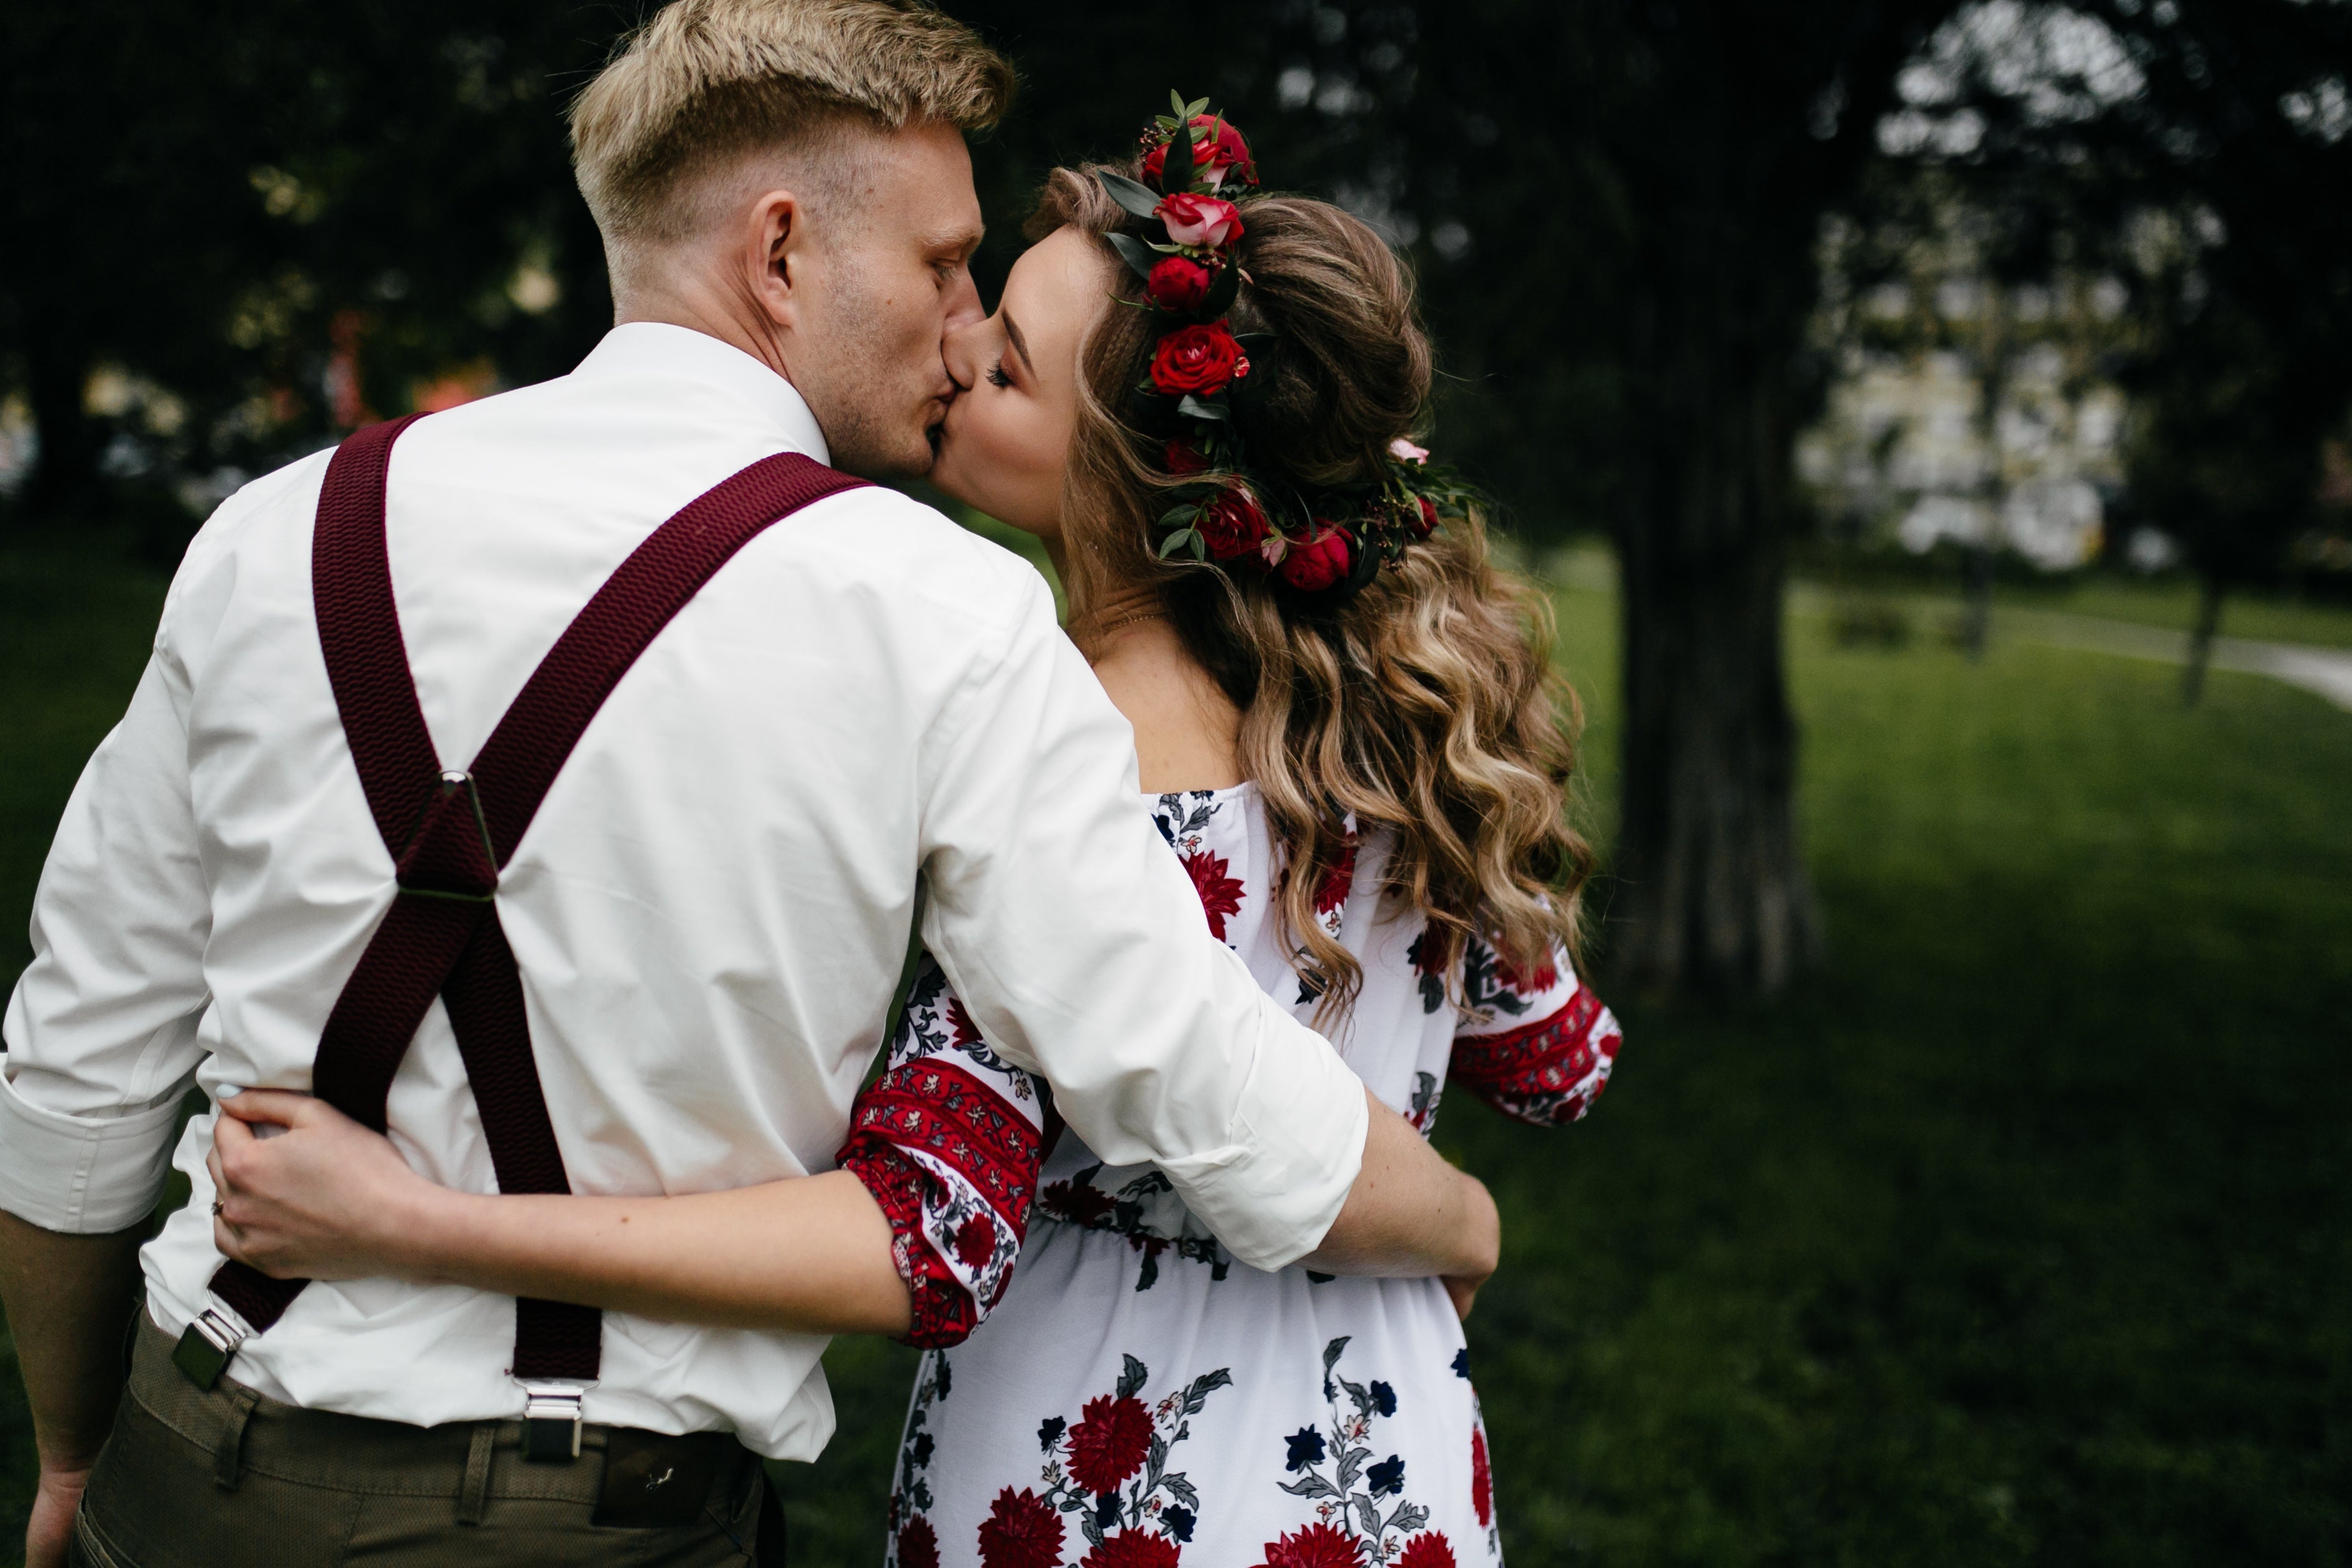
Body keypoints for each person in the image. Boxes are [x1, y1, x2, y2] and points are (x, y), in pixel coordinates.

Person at [0, 6, 1494, 1566]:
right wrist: (1458, 1219)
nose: (964, 323)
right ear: (780, 252)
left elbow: (73, 1072)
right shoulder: (939, 612)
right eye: (937, 263)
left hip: (181, 1470)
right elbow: (1178, 1064)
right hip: (596, 1523)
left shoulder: (276, 532)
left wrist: (68, 1452)